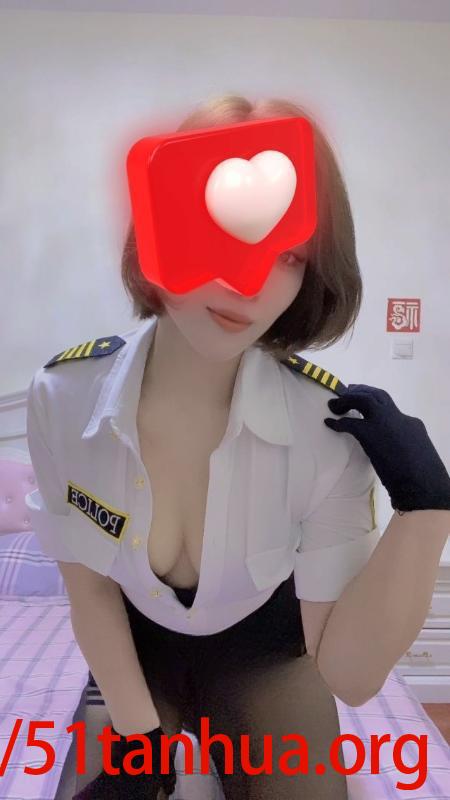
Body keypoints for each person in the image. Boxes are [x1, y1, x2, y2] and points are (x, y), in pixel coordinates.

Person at [25, 94, 450, 800]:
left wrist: (427, 509)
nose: (243, 282)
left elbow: (348, 675)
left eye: (287, 253)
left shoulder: (324, 427)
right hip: (136, 646)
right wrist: (139, 735)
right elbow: (89, 587)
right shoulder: (63, 399)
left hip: (266, 656)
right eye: (212, 236)